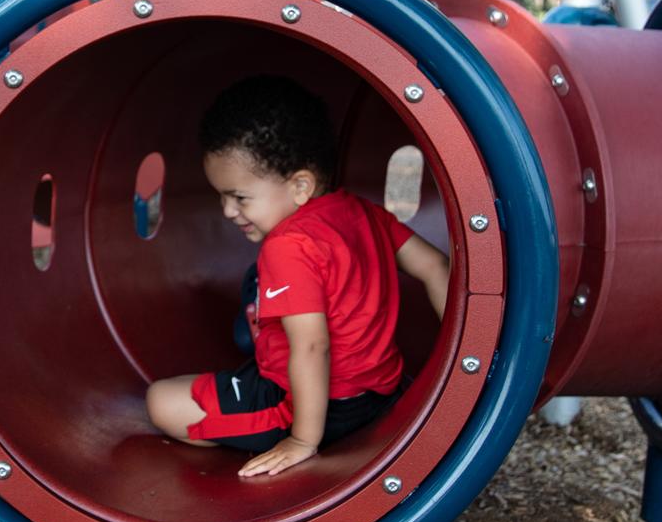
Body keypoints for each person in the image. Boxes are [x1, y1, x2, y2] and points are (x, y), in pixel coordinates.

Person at [145, 75, 451, 477]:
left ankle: (271, 436)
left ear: (301, 185)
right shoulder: (361, 212)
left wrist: (303, 439)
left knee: (160, 401)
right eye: (220, 195)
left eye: (239, 197)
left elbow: (311, 347)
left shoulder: (287, 245)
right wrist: (457, 362)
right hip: (384, 391)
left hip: (314, 405)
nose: (227, 210)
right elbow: (435, 266)